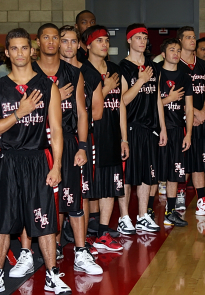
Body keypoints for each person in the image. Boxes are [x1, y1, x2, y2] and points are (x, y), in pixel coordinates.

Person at [0, 28, 71, 294]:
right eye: (14, 49)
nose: (20, 53)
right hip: (8, 160)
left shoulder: (47, 86)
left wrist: (56, 165)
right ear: (7, 53)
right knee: (1, 220)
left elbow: (56, 130)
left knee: (44, 220)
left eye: (24, 48)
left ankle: (52, 274)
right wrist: (19, 113)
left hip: (37, 159)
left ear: (31, 51)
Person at [32, 23, 102, 274]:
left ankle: (81, 252)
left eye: (72, 41)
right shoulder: (30, 72)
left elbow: (83, 113)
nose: (63, 44)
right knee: (40, 199)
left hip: (70, 141)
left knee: (73, 199)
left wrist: (83, 146)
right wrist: (53, 97)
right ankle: (39, 249)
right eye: (62, 40)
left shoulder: (74, 73)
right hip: (38, 142)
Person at [57, 25, 104, 253]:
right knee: (55, 192)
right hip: (54, 140)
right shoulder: (48, 72)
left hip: (80, 140)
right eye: (63, 41)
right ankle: (55, 242)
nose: (68, 46)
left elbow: (96, 112)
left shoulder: (89, 73)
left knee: (82, 190)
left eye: (73, 41)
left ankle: (81, 242)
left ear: (79, 45)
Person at [81, 25, 128, 249]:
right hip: (92, 135)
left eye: (106, 40)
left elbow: (119, 106)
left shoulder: (114, 69)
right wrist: (106, 88)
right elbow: (84, 108)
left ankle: (102, 232)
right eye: (99, 40)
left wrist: (124, 138)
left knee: (111, 184)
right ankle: (85, 231)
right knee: (91, 185)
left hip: (112, 134)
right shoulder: (82, 71)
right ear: (87, 45)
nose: (104, 44)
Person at [118, 23, 167, 233]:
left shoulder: (153, 66)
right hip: (130, 127)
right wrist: (140, 82)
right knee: (128, 176)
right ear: (129, 40)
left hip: (150, 129)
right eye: (138, 37)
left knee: (148, 175)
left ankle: (142, 216)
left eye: (145, 38)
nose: (142, 41)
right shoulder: (122, 67)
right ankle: (124, 217)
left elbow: (157, 99)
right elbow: (123, 100)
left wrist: (162, 127)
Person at [177, 27, 205, 217]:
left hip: (200, 119)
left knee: (198, 162)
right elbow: (173, 94)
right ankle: (179, 194)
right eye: (188, 37)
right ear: (180, 41)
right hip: (180, 119)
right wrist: (192, 112)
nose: (192, 40)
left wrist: (203, 112)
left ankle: (202, 200)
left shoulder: (204, 65)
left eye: (193, 37)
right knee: (181, 161)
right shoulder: (174, 63)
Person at [157, 38, 193, 226]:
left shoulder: (185, 77)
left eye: (178, 50)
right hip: (158, 131)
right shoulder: (156, 74)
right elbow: (150, 105)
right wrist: (168, 98)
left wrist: (188, 134)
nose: (176, 54)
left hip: (178, 130)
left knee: (174, 172)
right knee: (154, 174)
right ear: (163, 54)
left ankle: (170, 212)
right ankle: (146, 212)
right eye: (172, 50)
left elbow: (189, 107)